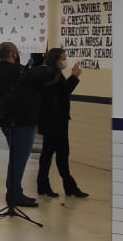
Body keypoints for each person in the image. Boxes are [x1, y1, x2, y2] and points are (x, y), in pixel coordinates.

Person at [0, 42, 54, 209]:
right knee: (19, 159)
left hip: (8, 121)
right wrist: (49, 64)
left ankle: (15, 191)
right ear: (13, 53)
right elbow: (40, 77)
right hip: (20, 122)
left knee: (16, 158)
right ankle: (14, 194)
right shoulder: (15, 71)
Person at [36, 47, 87, 198]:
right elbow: (62, 92)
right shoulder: (51, 74)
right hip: (54, 121)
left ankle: (53, 184)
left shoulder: (53, 74)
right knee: (56, 154)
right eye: (63, 58)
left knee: (54, 153)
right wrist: (74, 77)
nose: (65, 61)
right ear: (56, 60)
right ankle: (57, 185)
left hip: (56, 120)